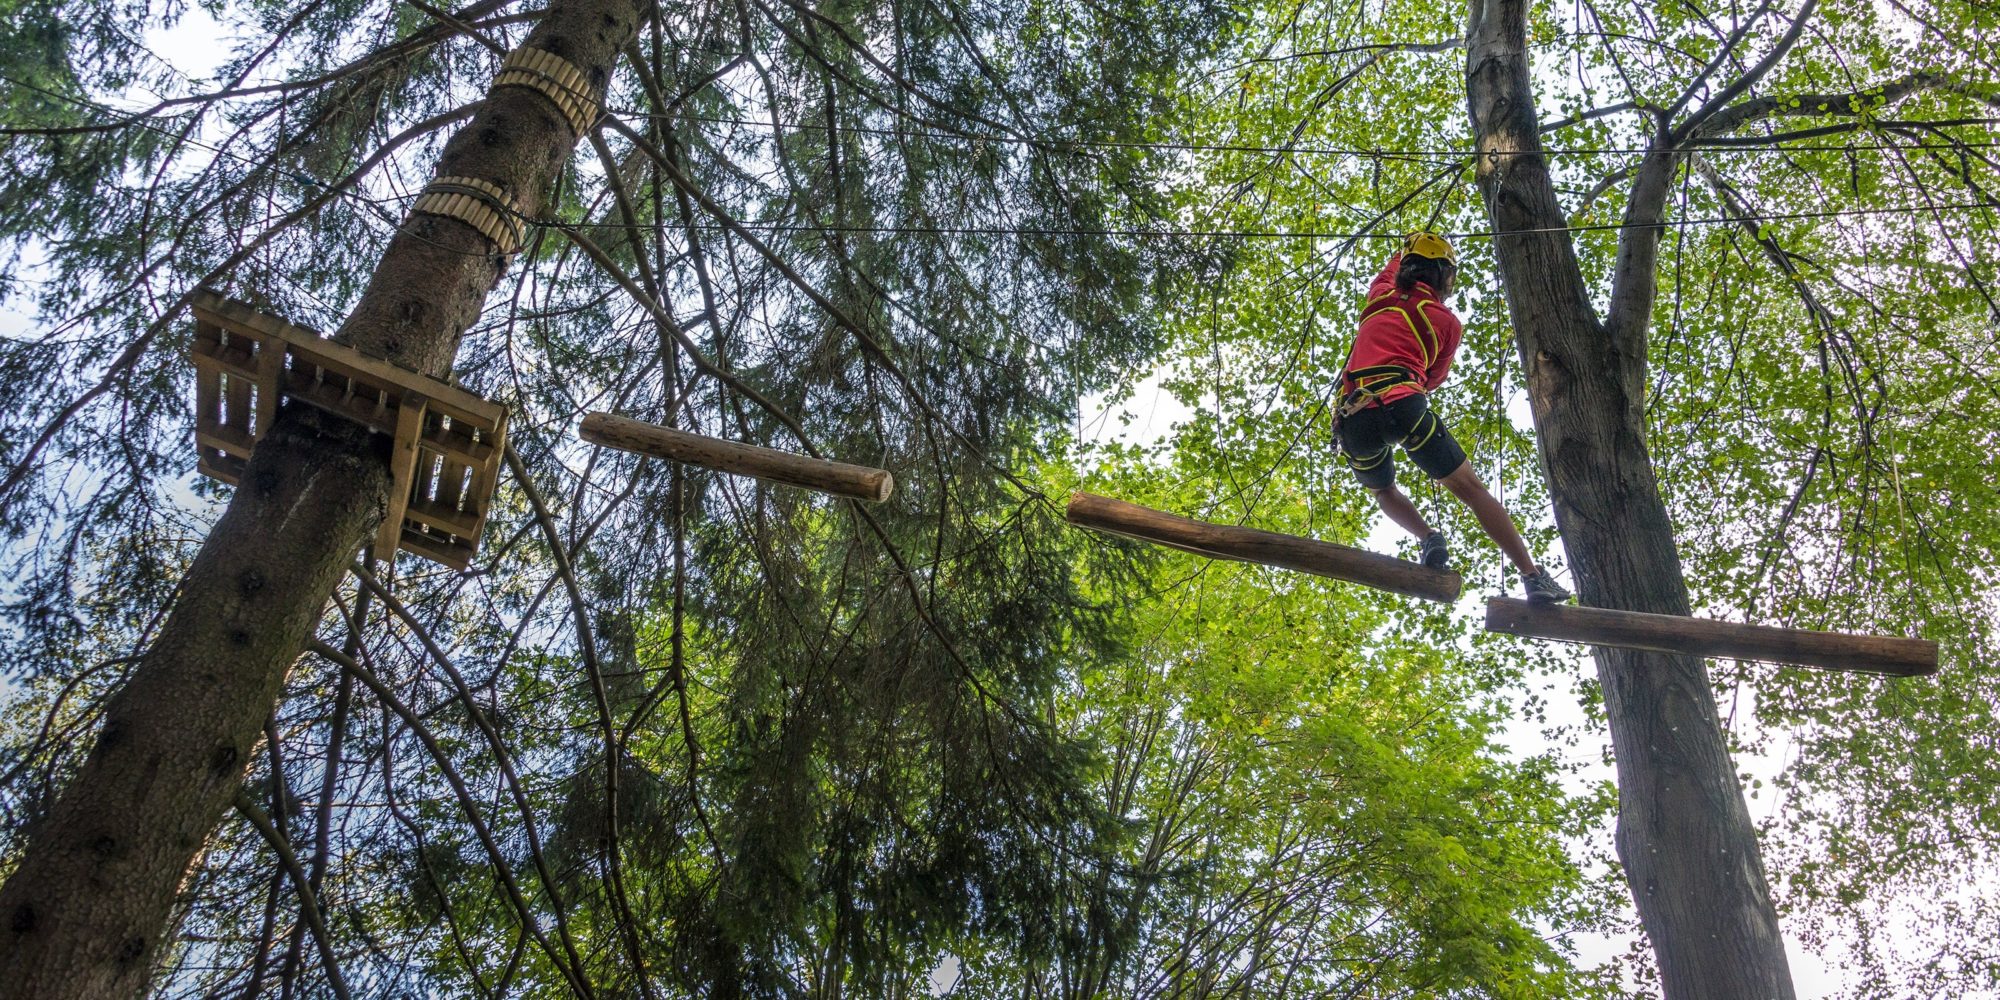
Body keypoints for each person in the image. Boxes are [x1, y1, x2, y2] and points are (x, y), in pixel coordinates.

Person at [1334, 232, 1571, 604]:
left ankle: (1428, 537)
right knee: (1473, 492)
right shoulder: (1445, 322)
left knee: (1383, 490)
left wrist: (1412, 242)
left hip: (1354, 419)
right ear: (1444, 276)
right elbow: (1432, 380)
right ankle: (1532, 576)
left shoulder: (1380, 295)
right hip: (1404, 404)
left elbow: (1393, 266)